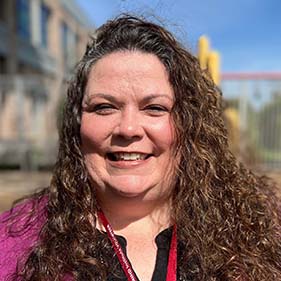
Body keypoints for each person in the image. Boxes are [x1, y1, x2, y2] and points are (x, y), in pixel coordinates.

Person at [1, 15, 281, 281]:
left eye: (155, 108)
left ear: (190, 125)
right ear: (77, 125)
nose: (128, 128)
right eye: (104, 107)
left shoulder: (258, 231)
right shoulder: (13, 243)